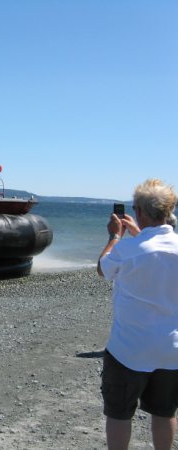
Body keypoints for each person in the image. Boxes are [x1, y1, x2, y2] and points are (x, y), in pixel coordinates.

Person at [97, 179, 178, 450]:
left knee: (119, 414)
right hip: (171, 348)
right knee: (164, 412)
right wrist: (138, 235)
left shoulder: (127, 250)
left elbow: (103, 268)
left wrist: (114, 236)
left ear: (140, 212)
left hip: (129, 348)